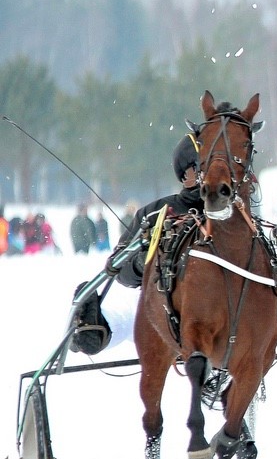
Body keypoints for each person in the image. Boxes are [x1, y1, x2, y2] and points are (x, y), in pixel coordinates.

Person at [71, 133, 202, 355]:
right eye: (201, 166)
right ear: (184, 174)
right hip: (164, 305)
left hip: (222, 308)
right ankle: (95, 327)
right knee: (136, 308)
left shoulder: (235, 215)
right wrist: (142, 263)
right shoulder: (155, 212)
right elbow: (120, 267)